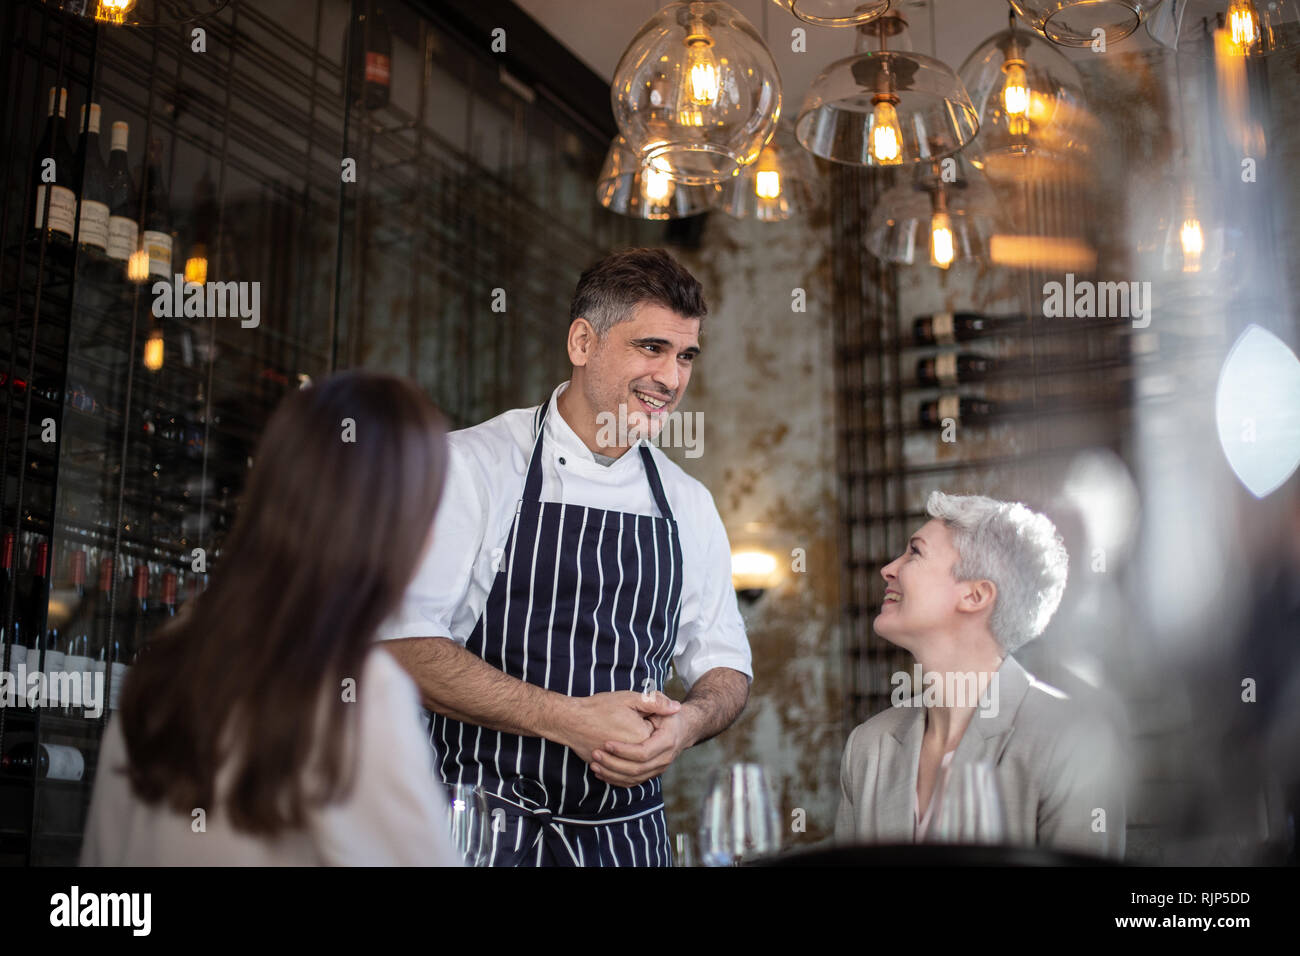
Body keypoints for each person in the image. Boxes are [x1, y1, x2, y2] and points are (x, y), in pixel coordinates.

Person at [380, 247, 753, 867]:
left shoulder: (688, 503)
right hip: (473, 829)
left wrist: (686, 725)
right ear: (583, 342)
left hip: (627, 841)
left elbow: (725, 668)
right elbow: (403, 646)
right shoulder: (467, 467)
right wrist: (566, 718)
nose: (672, 378)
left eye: (685, 355)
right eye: (651, 348)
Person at [81, 372, 462, 866]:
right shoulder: (358, 692)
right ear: (393, 527)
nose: (432, 538)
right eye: (430, 510)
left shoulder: (169, 660)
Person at [835, 491, 1128, 857]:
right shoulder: (868, 746)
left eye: (915, 552)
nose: (889, 569)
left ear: (975, 596)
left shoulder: (1073, 742)